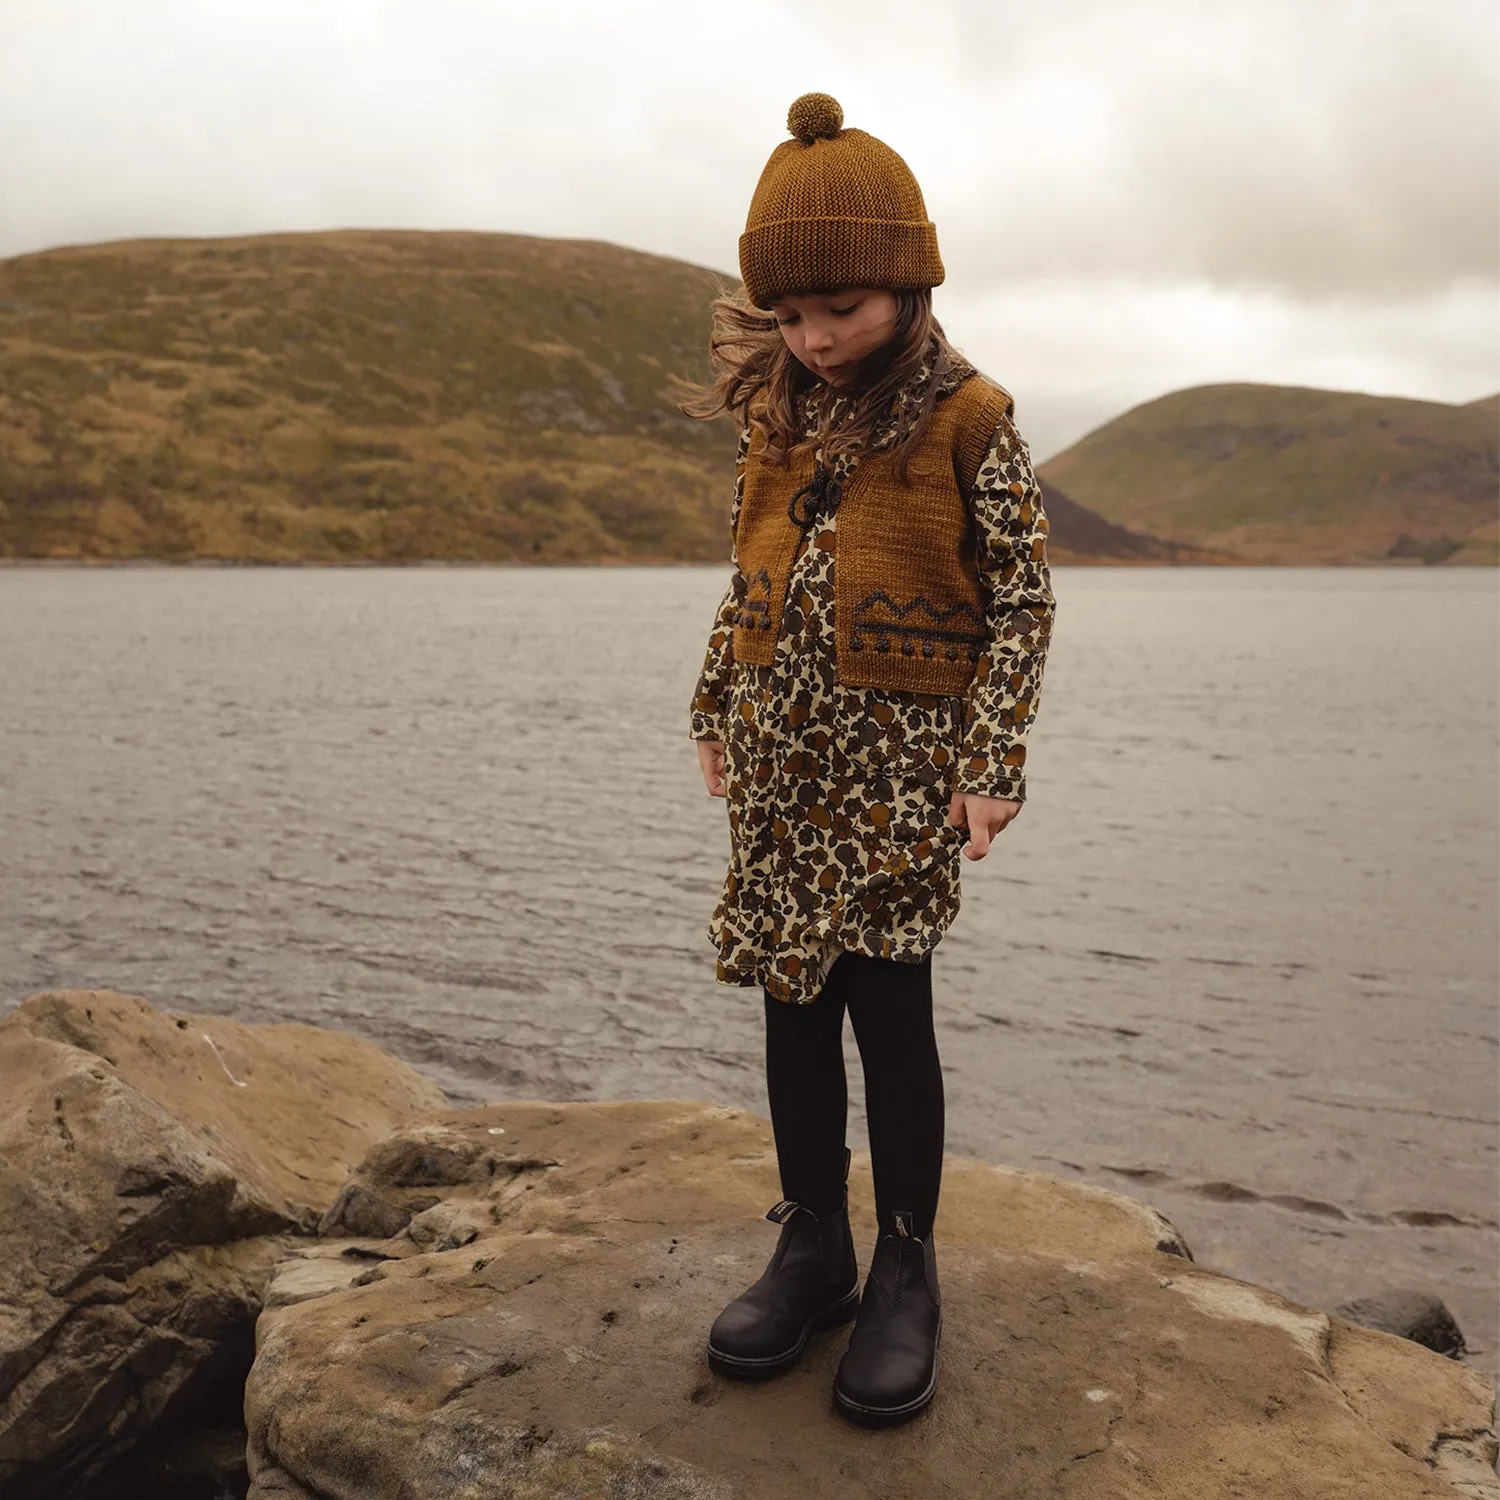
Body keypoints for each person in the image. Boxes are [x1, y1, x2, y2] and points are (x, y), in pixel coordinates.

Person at [680, 92, 1055, 1427]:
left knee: (890, 1016)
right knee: (790, 1004)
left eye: (840, 308)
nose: (817, 338)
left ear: (905, 280)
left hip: (899, 779)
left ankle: (904, 1263)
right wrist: (717, 704)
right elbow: (748, 574)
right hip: (782, 771)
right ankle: (811, 1248)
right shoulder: (774, 418)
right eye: (789, 317)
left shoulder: (970, 418)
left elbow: (1022, 600)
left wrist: (995, 757)